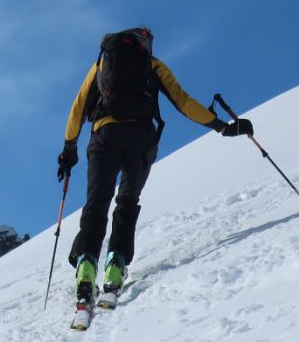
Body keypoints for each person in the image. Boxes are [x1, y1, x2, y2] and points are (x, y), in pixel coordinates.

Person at [56, 25, 252, 310]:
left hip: (104, 138)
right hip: (141, 140)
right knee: (126, 201)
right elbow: (183, 102)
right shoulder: (153, 65)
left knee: (96, 204)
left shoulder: (100, 64)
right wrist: (222, 127)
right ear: (145, 44)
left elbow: (77, 107)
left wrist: (69, 150)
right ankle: (115, 265)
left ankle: (86, 268)